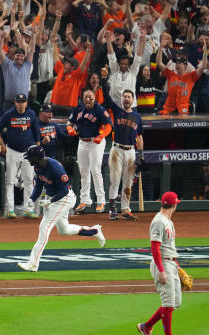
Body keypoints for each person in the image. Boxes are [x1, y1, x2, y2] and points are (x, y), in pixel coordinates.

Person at [16, 145, 105, 272]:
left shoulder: (55, 168)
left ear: (37, 157)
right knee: (64, 230)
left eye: (30, 157)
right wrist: (32, 198)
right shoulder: (37, 166)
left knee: (44, 228)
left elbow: (64, 190)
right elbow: (39, 185)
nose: (28, 160)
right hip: (54, 198)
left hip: (64, 199)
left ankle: (33, 263)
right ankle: (94, 231)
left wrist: (49, 201)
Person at [136, 191, 185, 335]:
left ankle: (146, 326)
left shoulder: (168, 220)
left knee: (175, 302)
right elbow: (155, 247)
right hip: (162, 264)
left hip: (171, 263)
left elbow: (168, 247)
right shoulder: (159, 221)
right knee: (168, 303)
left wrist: (177, 266)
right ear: (174, 204)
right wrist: (161, 270)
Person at [102, 88, 144, 221]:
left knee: (128, 182)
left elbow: (140, 136)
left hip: (131, 151)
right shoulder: (117, 111)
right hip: (117, 149)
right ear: (122, 99)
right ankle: (113, 210)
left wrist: (140, 154)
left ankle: (126, 210)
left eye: (129, 97)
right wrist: (104, 80)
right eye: (124, 97)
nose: (126, 99)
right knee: (115, 180)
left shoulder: (137, 117)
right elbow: (107, 97)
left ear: (133, 100)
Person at [69, 89, 113, 214]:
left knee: (95, 169)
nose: (88, 99)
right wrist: (69, 128)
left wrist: (102, 135)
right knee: (83, 171)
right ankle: (85, 200)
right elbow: (70, 122)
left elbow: (109, 125)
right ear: (83, 98)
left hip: (95, 142)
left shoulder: (99, 109)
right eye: (86, 97)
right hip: (82, 141)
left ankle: (101, 201)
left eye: (90, 97)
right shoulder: (79, 108)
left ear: (95, 98)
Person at [0, 93, 40, 219]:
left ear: (26, 102)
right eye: (19, 102)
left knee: (29, 181)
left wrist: (37, 148)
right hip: (12, 150)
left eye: (23, 102)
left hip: (28, 151)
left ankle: (28, 209)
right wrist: (1, 144)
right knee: (10, 181)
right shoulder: (9, 114)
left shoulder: (31, 114)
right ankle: (10, 210)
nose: (21, 104)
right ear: (15, 102)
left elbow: (36, 132)